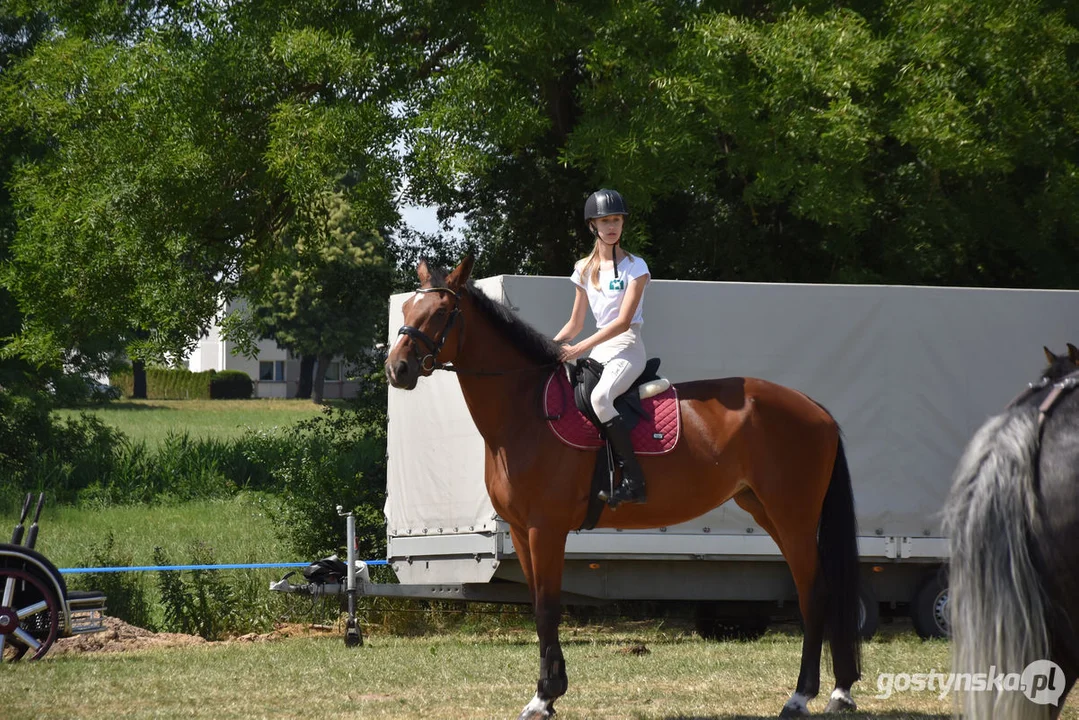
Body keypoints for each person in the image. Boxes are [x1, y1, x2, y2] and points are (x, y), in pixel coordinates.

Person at [553, 189, 651, 506]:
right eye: (605, 220)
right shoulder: (583, 268)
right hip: (599, 351)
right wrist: (547, 347)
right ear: (592, 225)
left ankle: (634, 480)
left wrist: (578, 347)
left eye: (617, 220)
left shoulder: (637, 267)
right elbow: (575, 323)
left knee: (600, 397)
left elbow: (623, 322)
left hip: (627, 346)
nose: (612, 226)